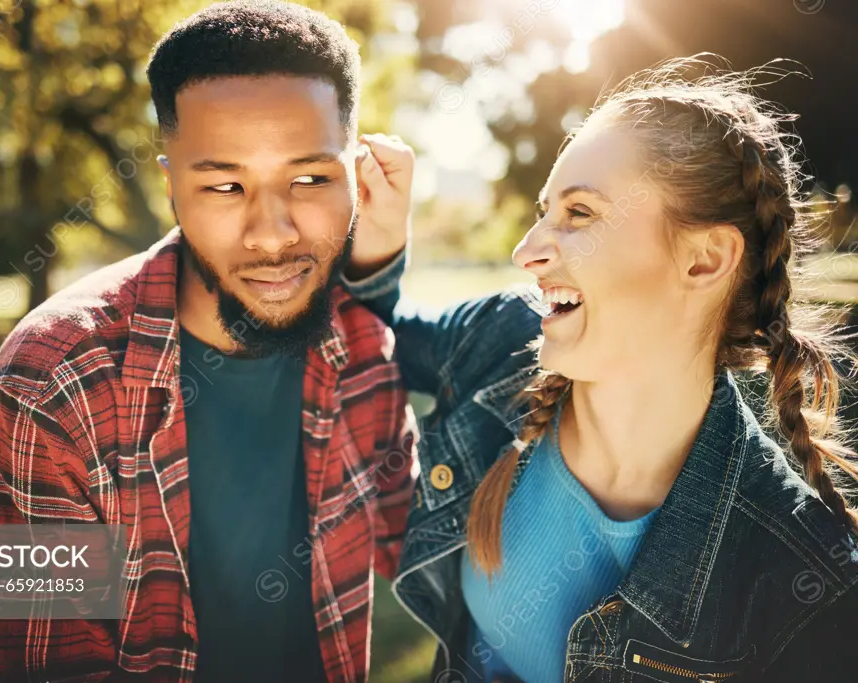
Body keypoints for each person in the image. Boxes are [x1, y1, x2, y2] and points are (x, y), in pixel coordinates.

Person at [344, 60, 858, 682]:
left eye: (579, 213)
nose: (525, 250)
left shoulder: (806, 583)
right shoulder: (501, 338)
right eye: (544, 210)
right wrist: (379, 238)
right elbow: (364, 346)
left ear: (704, 260)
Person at [0, 2, 419, 681]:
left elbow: (426, 546)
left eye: (310, 179)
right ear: (171, 187)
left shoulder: (360, 337)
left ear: (355, 177)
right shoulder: (55, 379)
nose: (272, 235)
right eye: (223, 184)